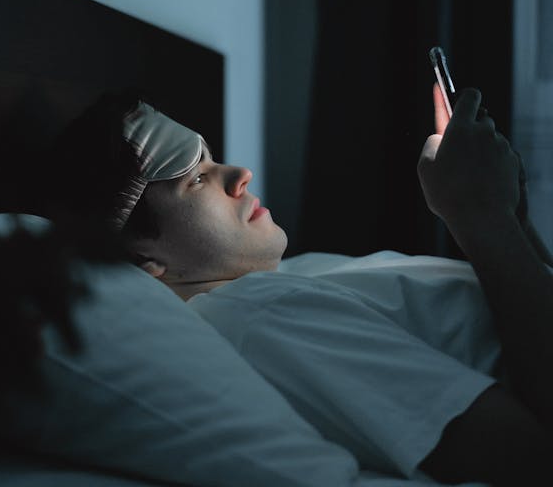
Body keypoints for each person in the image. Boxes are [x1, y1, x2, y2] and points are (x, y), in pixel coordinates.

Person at [45, 86, 553, 486]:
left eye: (210, 157)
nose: (239, 173)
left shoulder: (295, 274)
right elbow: (529, 459)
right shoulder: (256, 313)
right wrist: (480, 216)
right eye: (194, 179)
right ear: (142, 257)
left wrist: (510, 213)